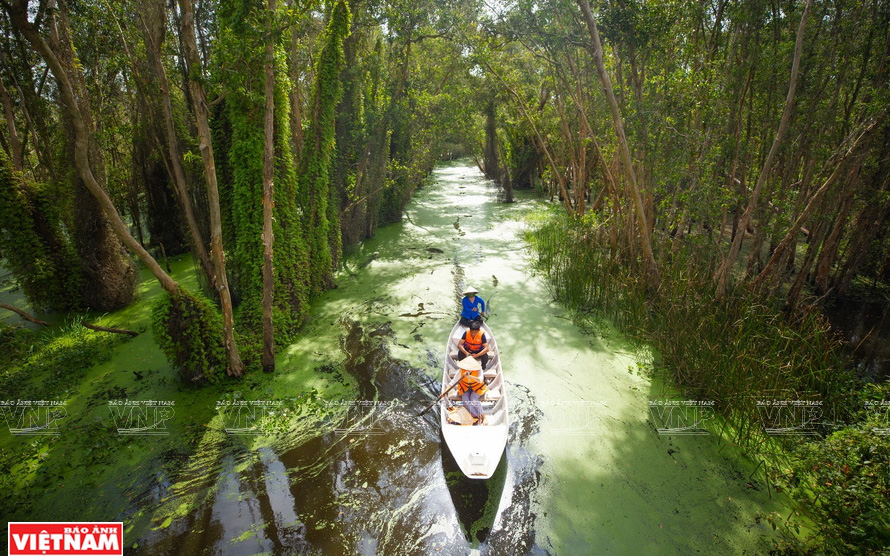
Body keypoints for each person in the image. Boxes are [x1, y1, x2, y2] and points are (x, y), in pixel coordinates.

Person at [457, 356, 487, 425]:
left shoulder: (479, 370)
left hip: (477, 387)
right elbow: (453, 382)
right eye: (466, 367)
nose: (467, 369)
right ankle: (476, 416)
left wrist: (470, 377)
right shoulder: (461, 371)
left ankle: (484, 416)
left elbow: (480, 380)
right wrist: (444, 392)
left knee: (473, 399)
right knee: (465, 399)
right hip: (466, 387)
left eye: (469, 368)